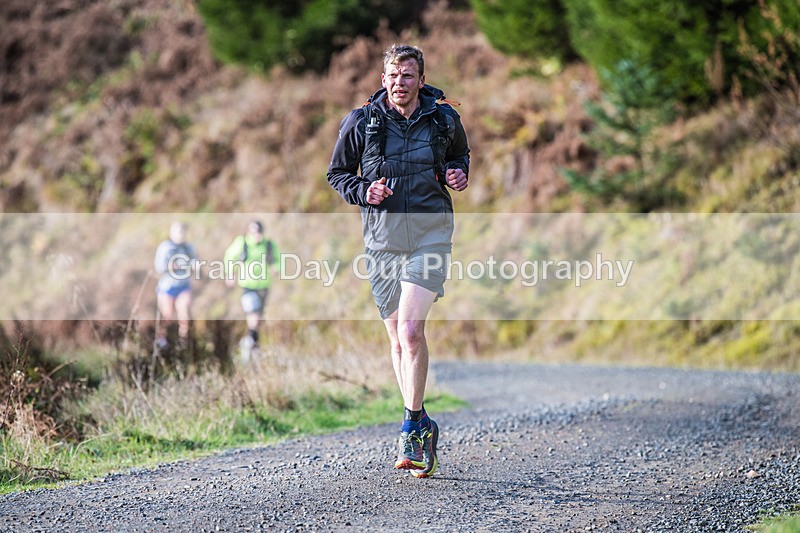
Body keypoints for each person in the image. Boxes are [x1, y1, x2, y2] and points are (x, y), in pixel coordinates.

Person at [327, 44, 470, 478]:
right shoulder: (361, 121)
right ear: (383, 78)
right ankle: (423, 421)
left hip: (430, 235)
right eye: (392, 75)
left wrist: (458, 173)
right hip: (382, 241)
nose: (399, 83)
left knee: (410, 331)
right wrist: (363, 191)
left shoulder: (444, 118)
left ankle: (409, 428)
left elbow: (460, 156)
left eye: (407, 75)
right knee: (396, 341)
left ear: (421, 80)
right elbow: (338, 174)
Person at [224, 220, 279, 362]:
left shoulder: (268, 245)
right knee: (253, 316)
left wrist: (276, 268)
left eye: (259, 232)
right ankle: (252, 346)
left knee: (258, 320)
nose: (256, 235)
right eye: (254, 232)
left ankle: (250, 343)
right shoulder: (242, 243)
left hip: (264, 286)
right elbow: (229, 256)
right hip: (248, 286)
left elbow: (278, 259)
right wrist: (230, 273)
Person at [153, 221, 198, 351]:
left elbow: (196, 261)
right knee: (167, 315)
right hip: (167, 288)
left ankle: (183, 341)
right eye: (178, 232)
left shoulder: (188, 247)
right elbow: (159, 267)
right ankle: (162, 340)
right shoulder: (165, 247)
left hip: (183, 286)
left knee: (184, 312)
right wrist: (174, 266)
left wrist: (195, 265)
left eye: (183, 232)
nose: (181, 234)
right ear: (171, 233)